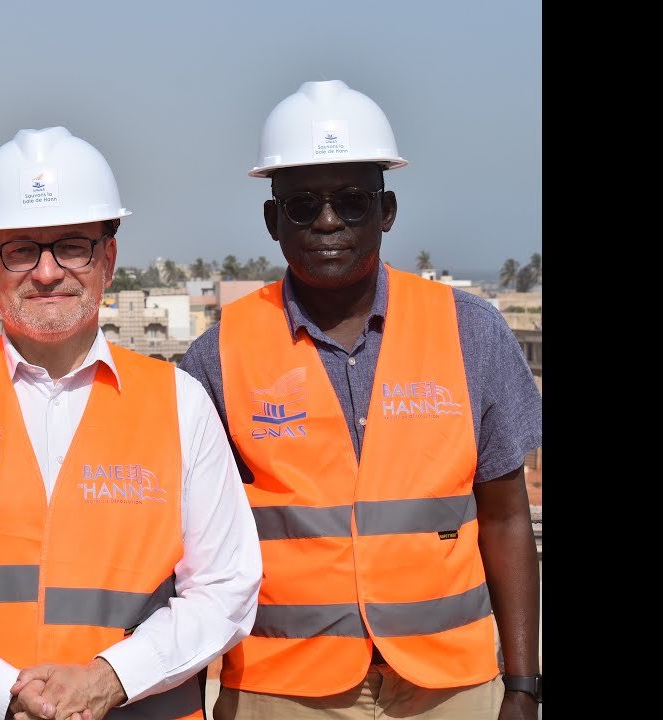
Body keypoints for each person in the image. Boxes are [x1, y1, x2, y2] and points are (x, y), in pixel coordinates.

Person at [0, 126, 263, 720]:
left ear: (109, 259)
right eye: (20, 248)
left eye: (72, 245)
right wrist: (7, 695)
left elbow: (226, 587)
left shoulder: (180, 404)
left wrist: (111, 678)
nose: (46, 273)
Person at [178, 79, 543, 720]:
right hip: (281, 688)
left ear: (388, 210)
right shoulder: (220, 355)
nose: (327, 222)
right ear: (272, 220)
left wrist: (522, 685)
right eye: (301, 205)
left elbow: (509, 518)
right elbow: (193, 542)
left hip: (452, 686)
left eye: (351, 201)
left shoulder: (470, 331)